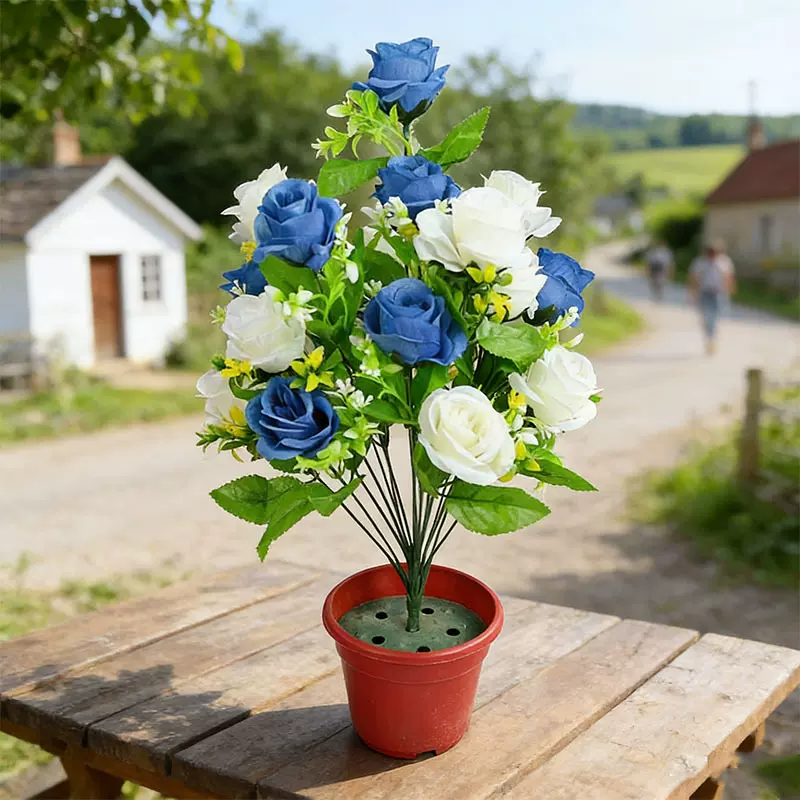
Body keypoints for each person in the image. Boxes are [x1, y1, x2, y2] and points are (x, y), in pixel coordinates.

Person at [688, 239, 735, 355]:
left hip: (718, 293)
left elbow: (729, 277)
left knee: (714, 317)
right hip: (704, 292)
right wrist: (692, 292)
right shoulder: (700, 262)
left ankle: (711, 338)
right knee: (705, 317)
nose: (712, 254)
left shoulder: (724, 262)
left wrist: (729, 290)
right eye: (710, 252)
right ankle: (709, 337)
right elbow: (694, 277)